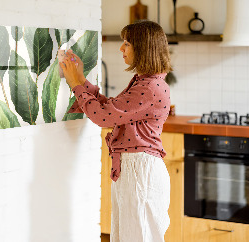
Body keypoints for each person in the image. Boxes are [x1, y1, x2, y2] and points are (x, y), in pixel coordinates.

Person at [59, 20, 172, 242]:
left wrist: (75, 85)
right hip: (135, 169)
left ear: (143, 47)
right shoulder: (145, 82)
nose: (121, 48)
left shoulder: (149, 87)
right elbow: (111, 109)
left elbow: (103, 117)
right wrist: (81, 79)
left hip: (140, 171)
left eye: (127, 43)